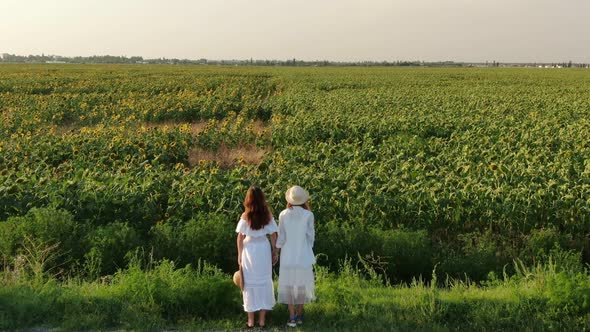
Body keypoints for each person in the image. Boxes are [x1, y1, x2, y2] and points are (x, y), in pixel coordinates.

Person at [236, 186, 279, 328]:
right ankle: (262, 321)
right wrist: (275, 252)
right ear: (262, 199)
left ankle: (250, 321)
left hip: (249, 250)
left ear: (248, 199)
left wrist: (239, 255)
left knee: (249, 283)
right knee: (264, 281)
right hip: (262, 249)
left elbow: (240, 237)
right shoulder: (268, 215)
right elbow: (273, 235)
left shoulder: (245, 216)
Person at [276, 185, 316, 327]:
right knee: (301, 286)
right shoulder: (308, 215)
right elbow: (311, 236)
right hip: (302, 255)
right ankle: (299, 315)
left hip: (287, 255)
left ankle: (291, 316)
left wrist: (277, 250)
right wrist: (306, 247)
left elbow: (281, 238)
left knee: (288, 285)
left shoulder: (283, 214)